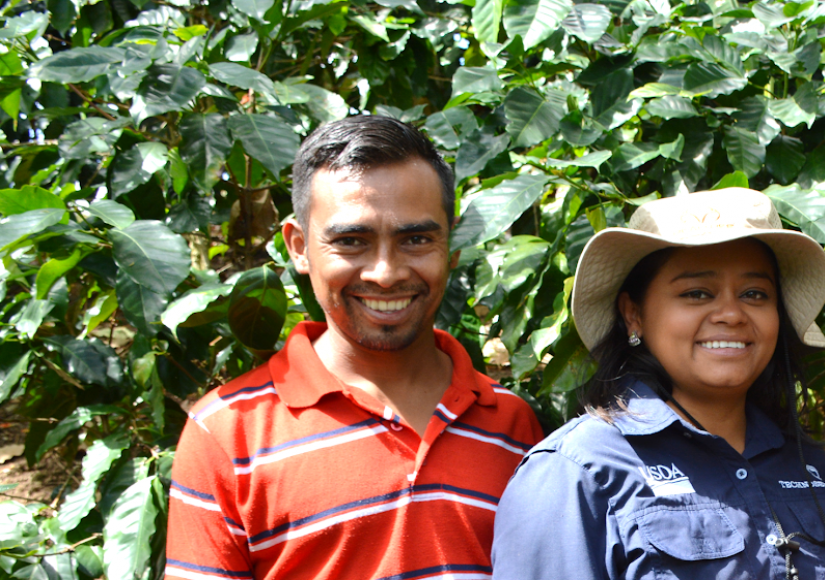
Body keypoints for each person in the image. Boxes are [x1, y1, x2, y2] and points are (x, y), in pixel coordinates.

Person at [165, 116, 543, 580]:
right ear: (299, 247)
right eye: (351, 241)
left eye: (416, 239)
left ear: (452, 244)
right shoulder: (225, 433)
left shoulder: (511, 423)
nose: (385, 273)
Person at [488, 187, 825, 580]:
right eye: (696, 293)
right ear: (634, 315)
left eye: (754, 294)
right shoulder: (577, 472)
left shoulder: (810, 464)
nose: (731, 313)